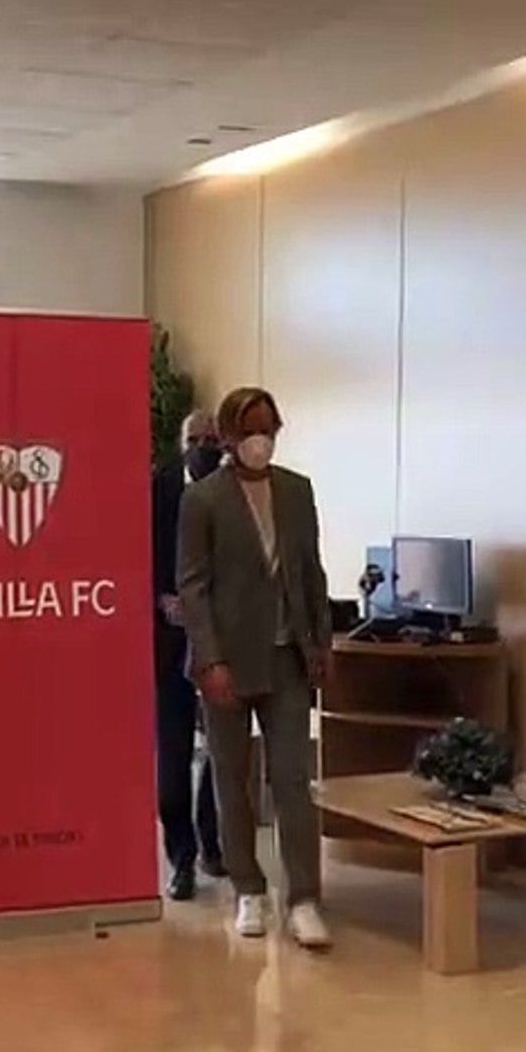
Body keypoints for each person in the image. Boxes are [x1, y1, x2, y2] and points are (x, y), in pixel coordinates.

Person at [177, 386, 334, 950]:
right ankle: (249, 888)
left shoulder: (296, 490)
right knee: (232, 778)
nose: (259, 440)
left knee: (291, 779)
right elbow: (193, 585)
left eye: (268, 428)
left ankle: (304, 899)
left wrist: (321, 642)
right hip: (227, 661)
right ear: (227, 436)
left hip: (287, 655)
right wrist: (210, 658)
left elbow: (311, 570)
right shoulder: (203, 500)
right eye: (249, 430)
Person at [151, 411, 224, 900]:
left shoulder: (232, 490)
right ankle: (180, 858)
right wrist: (160, 599)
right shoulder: (156, 490)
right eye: (194, 439)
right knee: (173, 757)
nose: (202, 447)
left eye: (211, 439)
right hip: (169, 642)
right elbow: (135, 556)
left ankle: (211, 845)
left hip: (220, 642)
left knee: (222, 751)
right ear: (181, 444)